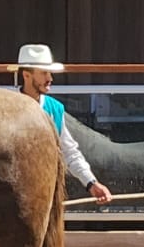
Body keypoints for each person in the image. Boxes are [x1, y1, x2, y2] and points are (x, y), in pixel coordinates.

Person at [9, 43, 112, 204]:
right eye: (44, 73)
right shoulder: (7, 107)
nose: (50, 79)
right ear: (27, 76)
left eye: (49, 73)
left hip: (44, 193)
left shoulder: (55, 109)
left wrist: (91, 183)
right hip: (11, 193)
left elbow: (69, 151)